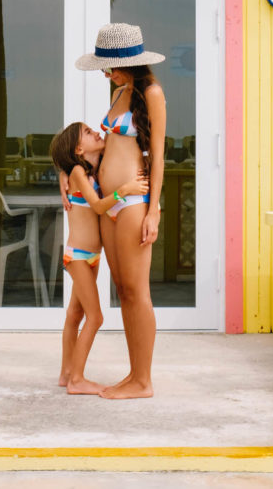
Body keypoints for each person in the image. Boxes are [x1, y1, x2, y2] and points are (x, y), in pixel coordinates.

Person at [74, 23, 166, 399]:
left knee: (136, 290)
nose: (106, 73)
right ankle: (134, 374)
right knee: (123, 289)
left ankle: (143, 381)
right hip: (108, 202)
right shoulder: (121, 91)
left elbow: (158, 155)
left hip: (132, 204)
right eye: (103, 68)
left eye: (110, 66)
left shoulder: (153, 93)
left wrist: (154, 210)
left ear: (130, 62)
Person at [50, 121, 148, 395]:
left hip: (90, 256)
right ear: (79, 148)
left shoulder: (88, 170)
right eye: (89, 133)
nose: (97, 132)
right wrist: (125, 190)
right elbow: (97, 205)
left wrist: (63, 174)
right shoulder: (79, 171)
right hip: (79, 257)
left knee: (75, 313)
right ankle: (77, 379)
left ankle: (66, 373)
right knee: (95, 318)